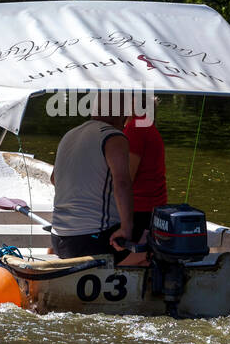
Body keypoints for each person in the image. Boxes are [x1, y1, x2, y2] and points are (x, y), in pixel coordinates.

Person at [49, 108, 135, 259]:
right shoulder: (114, 137)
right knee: (150, 242)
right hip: (91, 242)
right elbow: (122, 183)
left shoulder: (70, 134)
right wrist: (127, 228)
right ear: (121, 114)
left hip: (58, 238)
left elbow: (54, 179)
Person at [124, 98, 167, 247]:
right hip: (153, 209)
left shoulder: (136, 128)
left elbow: (126, 178)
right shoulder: (147, 126)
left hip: (139, 212)